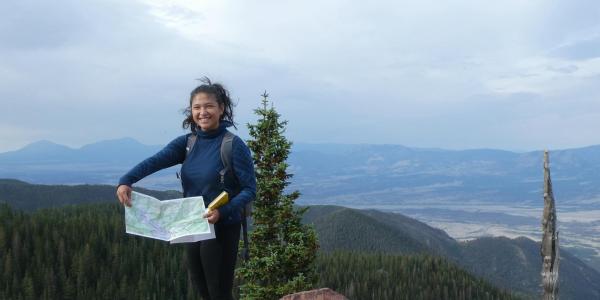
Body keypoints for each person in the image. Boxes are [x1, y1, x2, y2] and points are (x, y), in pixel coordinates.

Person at [116, 78, 256, 300]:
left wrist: (223, 212)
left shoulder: (233, 145)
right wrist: (126, 180)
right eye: (197, 107)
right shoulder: (188, 143)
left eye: (209, 106)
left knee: (218, 292)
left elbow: (250, 190)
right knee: (202, 289)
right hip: (192, 224)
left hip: (222, 227)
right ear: (191, 112)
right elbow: (155, 161)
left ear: (221, 109)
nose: (203, 112)